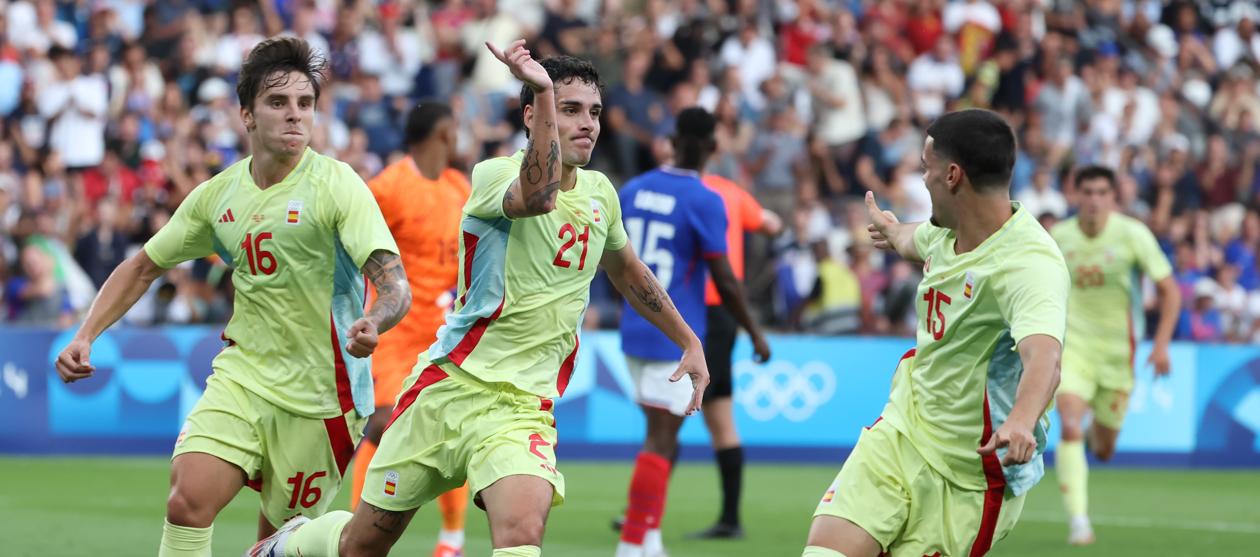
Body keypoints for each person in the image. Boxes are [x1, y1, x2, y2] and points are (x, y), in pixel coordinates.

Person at [249, 40, 710, 557]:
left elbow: (627, 272)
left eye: (595, 112)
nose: (587, 124)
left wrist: (686, 338)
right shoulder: (495, 176)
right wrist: (539, 89)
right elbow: (539, 197)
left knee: (520, 534)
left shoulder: (602, 193)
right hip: (449, 387)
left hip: (522, 406)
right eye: (569, 109)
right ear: (533, 114)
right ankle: (289, 543)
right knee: (362, 544)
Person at [53, 37, 410, 557]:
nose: (295, 116)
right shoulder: (217, 197)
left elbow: (395, 282)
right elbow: (143, 266)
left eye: (305, 104)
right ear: (246, 114)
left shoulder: (338, 185)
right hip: (244, 377)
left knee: (276, 545)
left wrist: (375, 319)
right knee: (187, 498)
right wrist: (86, 334)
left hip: (322, 399)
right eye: (278, 102)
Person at [803, 109, 1070, 557]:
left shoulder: (1029, 264)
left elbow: (1044, 356)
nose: (921, 180)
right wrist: (892, 231)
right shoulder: (948, 233)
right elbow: (914, 239)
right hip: (902, 433)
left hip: (968, 477)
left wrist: (1022, 418)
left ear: (952, 175)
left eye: (925, 168)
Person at [614, 107, 771, 557]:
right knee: (661, 439)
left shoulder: (634, 188)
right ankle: (630, 544)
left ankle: (650, 538)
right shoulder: (705, 199)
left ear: (671, 139)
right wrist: (755, 331)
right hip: (676, 332)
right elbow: (724, 277)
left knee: (659, 434)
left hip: (633, 326)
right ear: (713, 148)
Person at [355, 101, 472, 557]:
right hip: (395, 331)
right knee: (383, 425)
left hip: (443, 334)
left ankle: (452, 542)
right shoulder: (388, 187)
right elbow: (352, 243)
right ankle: (356, 534)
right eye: (455, 128)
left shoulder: (459, 187)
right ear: (442, 133)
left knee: (446, 435)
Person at [1049, 165, 1181, 546]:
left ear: (1112, 198)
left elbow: (1170, 292)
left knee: (1104, 449)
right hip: (1072, 349)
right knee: (1069, 424)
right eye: (1086, 192)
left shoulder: (1132, 235)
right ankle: (1079, 522)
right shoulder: (1059, 237)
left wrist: (1161, 345)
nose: (1092, 200)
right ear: (1076, 195)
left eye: (1100, 193)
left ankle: (1095, 435)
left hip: (1118, 356)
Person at [688, 171, 783, 540]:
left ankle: (643, 510)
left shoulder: (688, 191)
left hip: (696, 308)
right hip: (727, 314)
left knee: (676, 410)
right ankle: (730, 519)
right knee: (720, 414)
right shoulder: (732, 193)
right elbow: (772, 225)